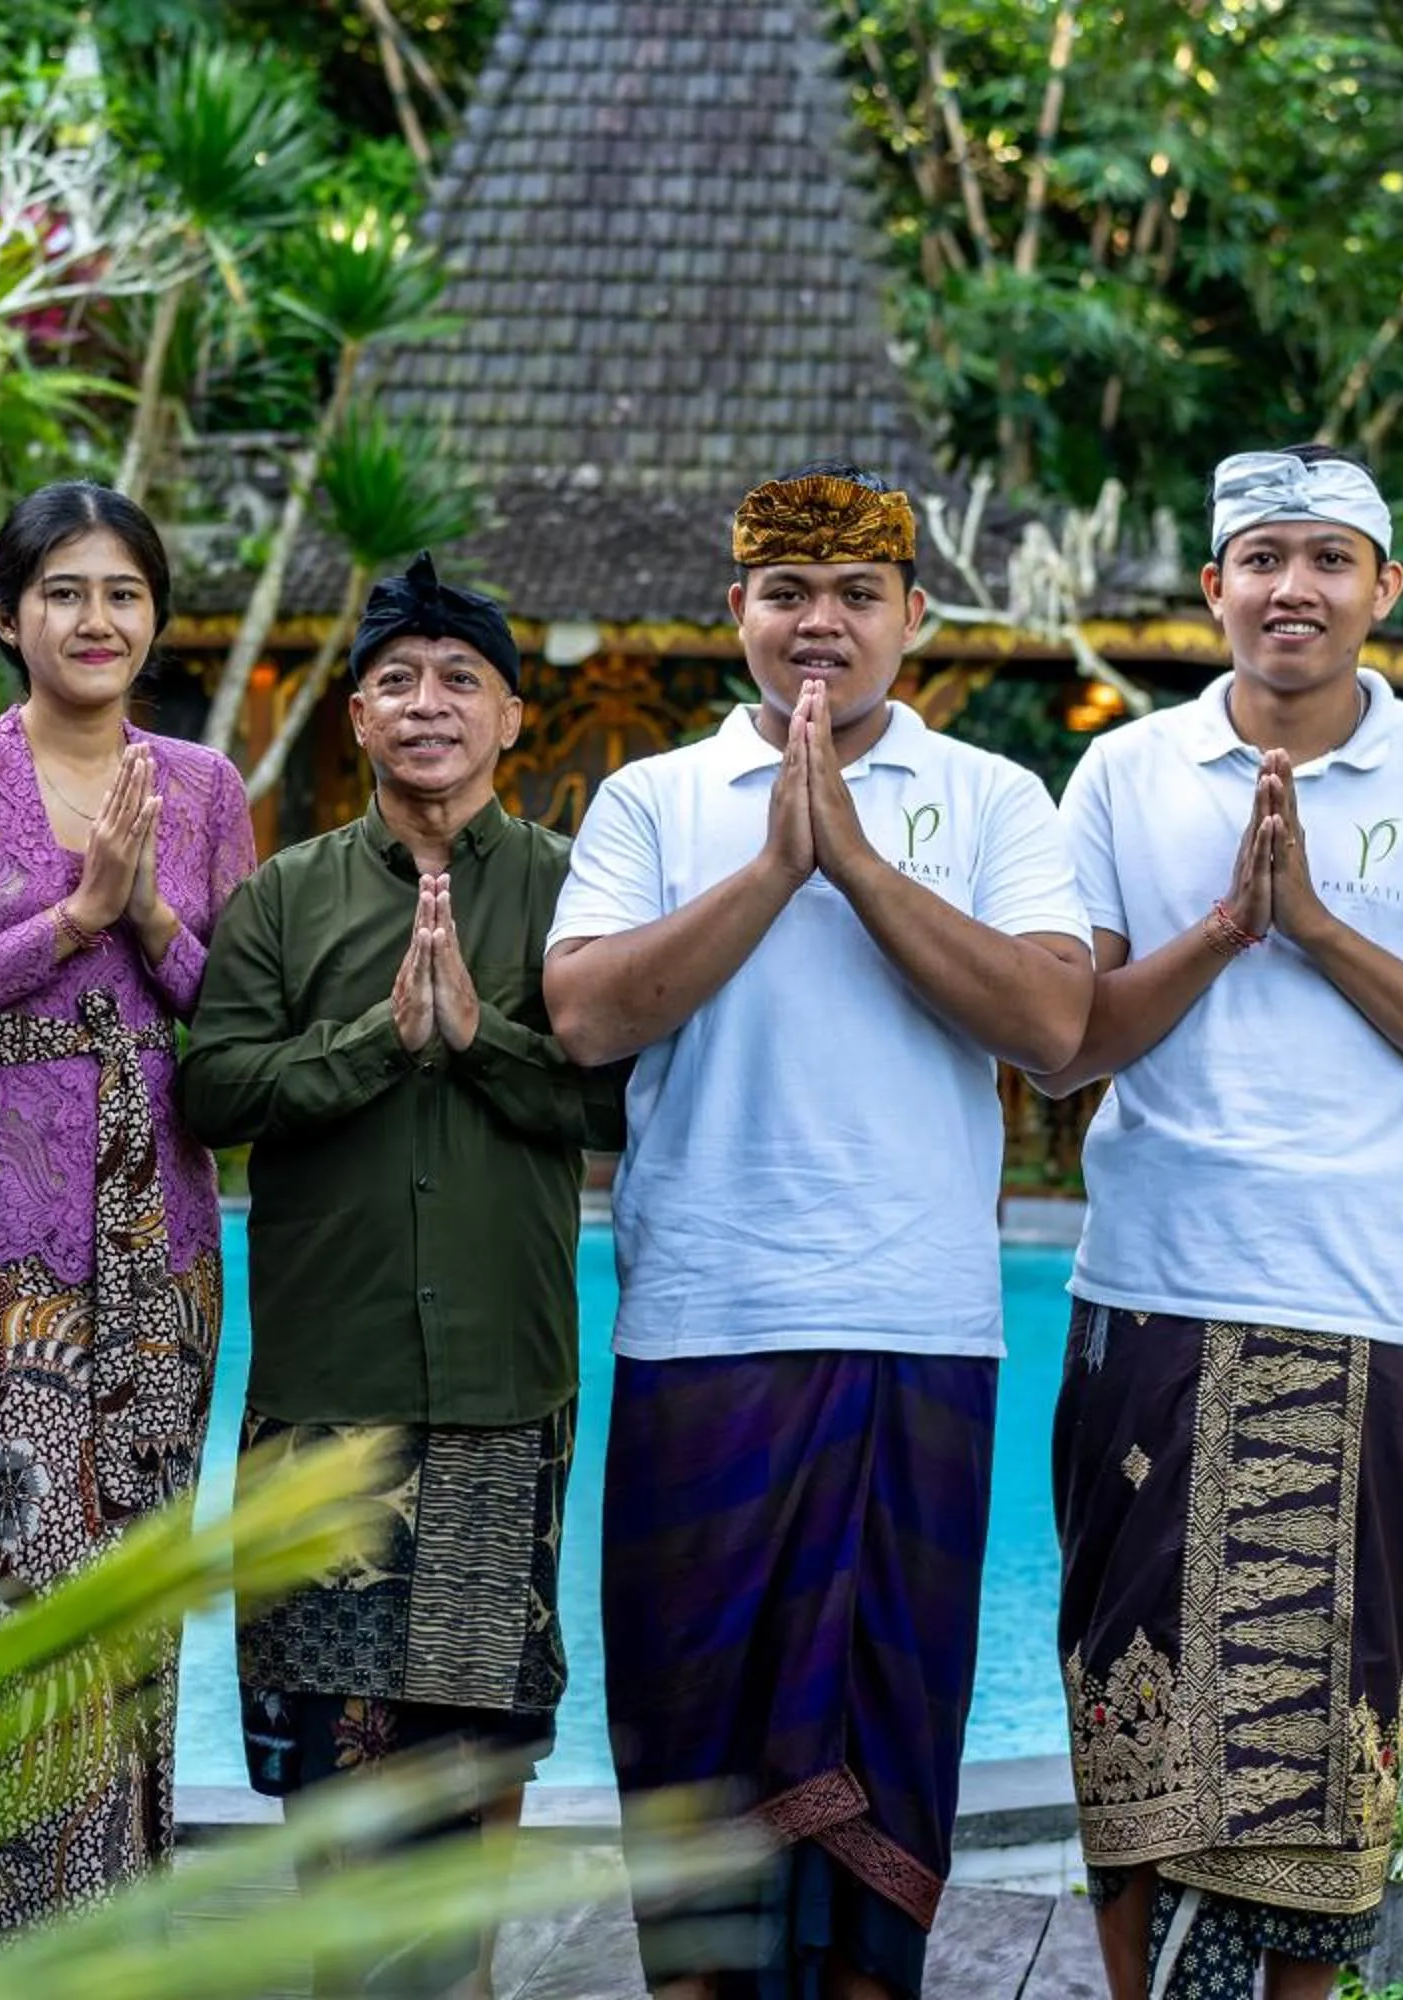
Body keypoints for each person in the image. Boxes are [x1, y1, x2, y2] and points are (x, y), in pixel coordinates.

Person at [543, 462, 1095, 1999]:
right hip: (702, 1327)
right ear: (737, 611)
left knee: (891, 1757)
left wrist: (853, 857)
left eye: (857, 595)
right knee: (690, 1751)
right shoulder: (653, 800)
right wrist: (776, 864)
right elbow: (586, 1016)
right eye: (787, 593)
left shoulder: (994, 798)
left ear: (914, 617)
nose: (820, 624)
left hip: (916, 1329)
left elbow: (1054, 1025)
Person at [1030, 446, 1403, 2000]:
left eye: (1330, 558)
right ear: (1214, 589)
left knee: (1329, 1737)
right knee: (1130, 1706)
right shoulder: (1125, 774)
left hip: (1358, 1312)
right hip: (1154, 1295)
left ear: (1382, 588)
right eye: (1263, 558)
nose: (1294, 589)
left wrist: (1321, 930)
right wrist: (1225, 928)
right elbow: (1066, 1047)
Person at [182, 552, 623, 1998]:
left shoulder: (576, 893)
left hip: (500, 1388)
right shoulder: (283, 898)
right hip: (330, 1389)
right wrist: (380, 1042)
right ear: (359, 717)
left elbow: (622, 1101)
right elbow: (214, 1090)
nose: (428, 705)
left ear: (511, 717)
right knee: (331, 1733)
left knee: (478, 1729)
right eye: (397, 682)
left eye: (459, 681)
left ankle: (467, 1984)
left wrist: (483, 1041)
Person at [0, 479, 256, 1939]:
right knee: (36, 1592)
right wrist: (71, 921)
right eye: (65, 591)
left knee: (138, 1586)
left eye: (123, 593)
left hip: (165, 1225)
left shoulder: (205, 789)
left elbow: (242, 1022)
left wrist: (148, 916)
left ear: (156, 618)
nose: (97, 619)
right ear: (9, 615)